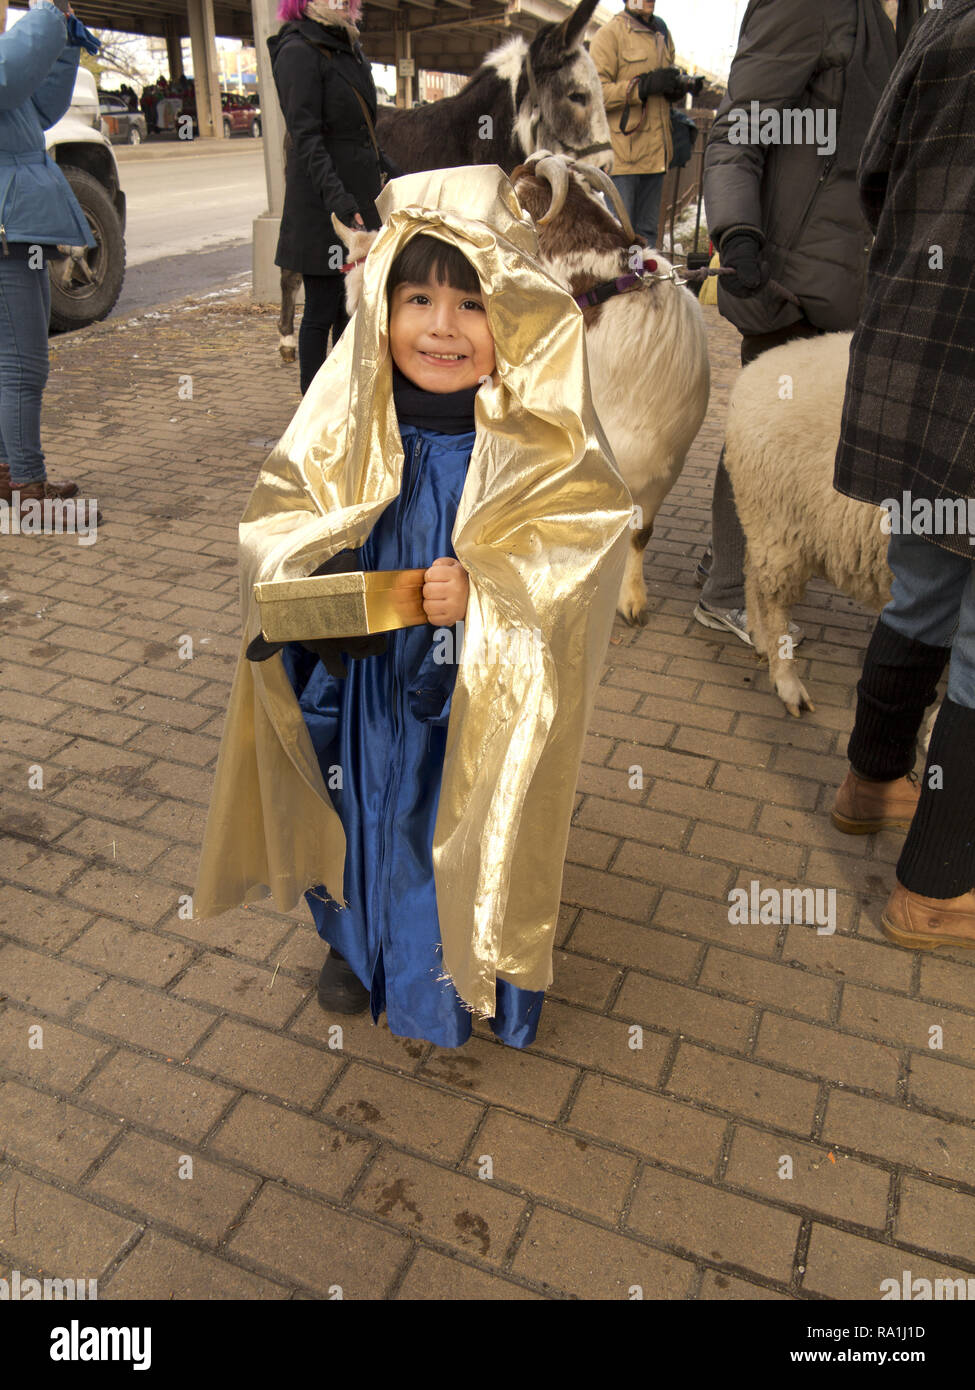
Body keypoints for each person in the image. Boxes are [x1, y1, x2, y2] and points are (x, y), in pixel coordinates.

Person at [193, 165, 632, 1049]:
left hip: (469, 688)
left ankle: (461, 961)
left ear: (510, 316)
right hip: (366, 684)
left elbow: (581, 550)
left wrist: (492, 593)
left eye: (472, 305)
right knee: (361, 802)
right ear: (382, 309)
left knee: (454, 809)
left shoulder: (540, 442)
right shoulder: (344, 419)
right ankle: (355, 940)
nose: (441, 327)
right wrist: (319, 572)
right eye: (418, 299)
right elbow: (273, 522)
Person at [694, 0, 925, 644]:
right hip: (784, 272)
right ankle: (727, 588)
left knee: (812, 435)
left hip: (864, 275)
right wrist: (739, 234)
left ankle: (755, 560)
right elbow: (739, 130)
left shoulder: (916, 14)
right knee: (765, 424)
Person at [830, 0, 975, 950]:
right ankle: (936, 887)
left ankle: (870, 781)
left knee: (922, 589)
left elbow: (874, 179)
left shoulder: (948, 23)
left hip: (927, 359)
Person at [270, 0, 398, 395]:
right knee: (321, 311)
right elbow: (306, 138)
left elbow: (361, 131)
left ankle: (343, 402)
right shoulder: (298, 50)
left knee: (351, 311)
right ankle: (312, 410)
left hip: (356, 198)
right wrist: (340, 202)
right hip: (321, 205)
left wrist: (390, 170)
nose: (342, 2)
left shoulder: (347, 45)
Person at [0, 0, 97, 521]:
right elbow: (9, 77)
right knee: (23, 366)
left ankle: (9, 473)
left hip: (18, 225)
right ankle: (27, 488)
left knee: (11, 363)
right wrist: (49, 12)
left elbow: (39, 107)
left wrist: (63, 44)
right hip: (7, 228)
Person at [589, 0, 702, 247]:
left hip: (655, 157)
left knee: (647, 237)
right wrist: (642, 87)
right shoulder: (609, 35)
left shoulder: (661, 32)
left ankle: (642, 284)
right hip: (623, 161)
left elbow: (664, 80)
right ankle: (621, 285)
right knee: (619, 238)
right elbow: (595, 94)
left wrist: (676, 88)